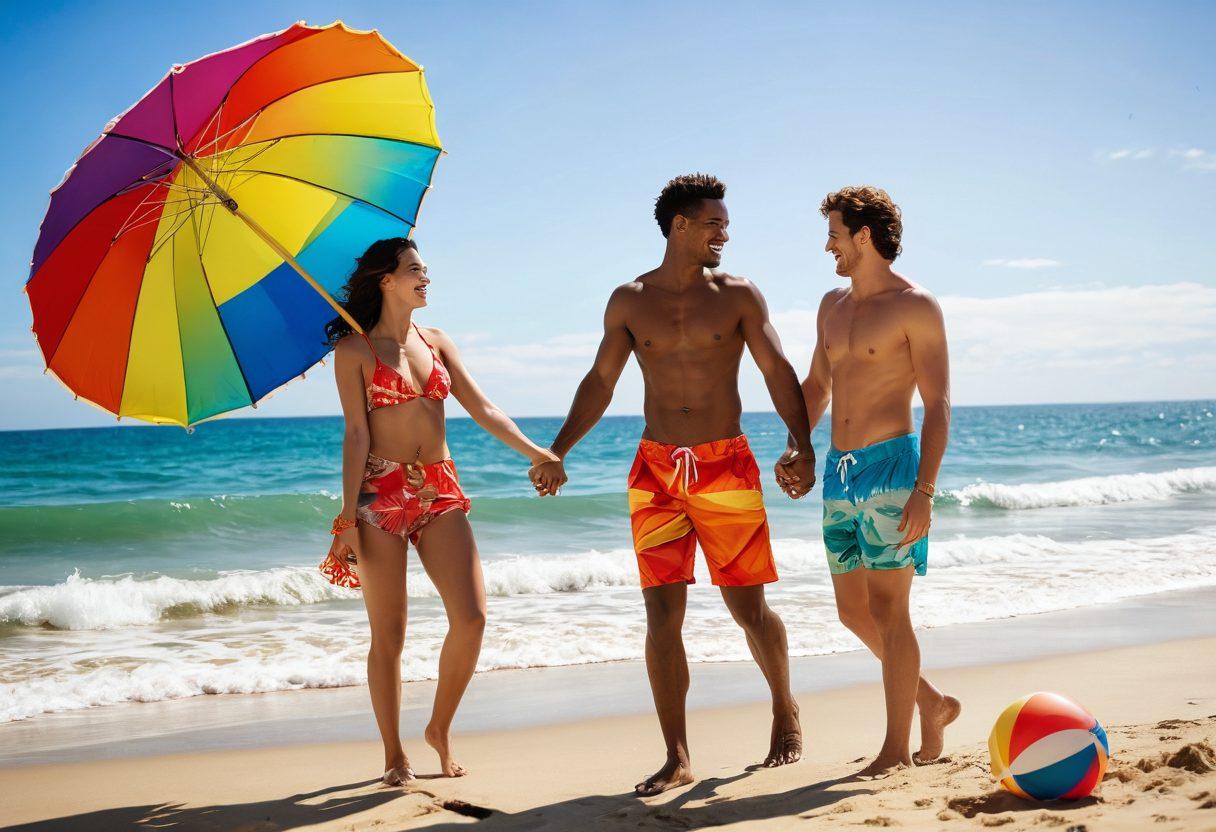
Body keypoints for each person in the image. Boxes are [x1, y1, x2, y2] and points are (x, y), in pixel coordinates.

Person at [530, 174, 816, 796]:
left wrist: (802, 442)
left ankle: (784, 705)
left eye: (724, 224)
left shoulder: (738, 295)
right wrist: (557, 448)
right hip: (656, 470)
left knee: (747, 607)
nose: (724, 233)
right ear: (680, 225)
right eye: (714, 223)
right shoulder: (629, 301)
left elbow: (776, 369)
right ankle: (677, 754)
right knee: (662, 612)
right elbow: (600, 382)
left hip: (726, 465)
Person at [319, 237, 563, 785]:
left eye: (425, 268)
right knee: (391, 634)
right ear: (386, 280)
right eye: (414, 270)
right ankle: (393, 754)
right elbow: (356, 435)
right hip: (380, 493)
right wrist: (347, 518)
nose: (425, 277)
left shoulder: (437, 340)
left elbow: (484, 408)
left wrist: (538, 453)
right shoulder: (354, 352)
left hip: (439, 487)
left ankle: (438, 729)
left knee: (472, 617)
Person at [798, 186, 960, 776]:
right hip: (840, 475)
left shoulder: (915, 305)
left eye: (835, 234)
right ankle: (932, 702)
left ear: (862, 236)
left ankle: (895, 751)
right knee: (852, 611)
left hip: (893, 469)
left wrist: (925, 489)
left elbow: (938, 403)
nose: (829, 245)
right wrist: (798, 445)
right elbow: (817, 387)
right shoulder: (830, 307)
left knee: (892, 612)